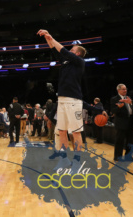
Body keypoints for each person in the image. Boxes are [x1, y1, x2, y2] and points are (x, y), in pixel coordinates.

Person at [38, 29, 87, 170]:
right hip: (62, 100)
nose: (70, 50)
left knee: (76, 133)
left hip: (74, 100)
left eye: (73, 49)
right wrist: (47, 39)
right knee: (62, 131)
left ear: (77, 53)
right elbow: (55, 51)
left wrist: (51, 37)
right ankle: (64, 160)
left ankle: (77, 162)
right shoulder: (66, 62)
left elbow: (63, 51)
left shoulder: (79, 61)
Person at [110, 84, 133, 162]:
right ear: (118, 90)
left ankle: (128, 157)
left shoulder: (129, 98)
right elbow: (113, 111)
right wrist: (119, 107)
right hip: (121, 123)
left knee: (130, 141)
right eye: (123, 89)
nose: (125, 90)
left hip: (130, 123)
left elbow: (132, 110)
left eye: (126, 89)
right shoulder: (114, 99)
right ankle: (117, 157)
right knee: (120, 141)